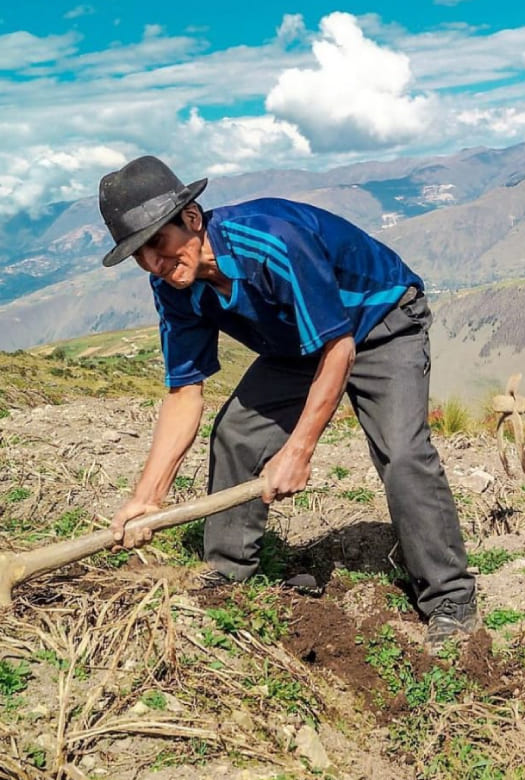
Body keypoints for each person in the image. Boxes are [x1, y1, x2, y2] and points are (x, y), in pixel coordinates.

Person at [95, 155, 478, 646]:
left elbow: (340, 349)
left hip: (382, 322)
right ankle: (227, 576)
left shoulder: (271, 242)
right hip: (298, 342)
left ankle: (450, 598)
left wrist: (298, 450)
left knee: (403, 454)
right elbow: (184, 392)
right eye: (139, 255)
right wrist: (148, 495)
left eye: (158, 243)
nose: (154, 263)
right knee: (235, 435)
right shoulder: (173, 287)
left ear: (191, 218)